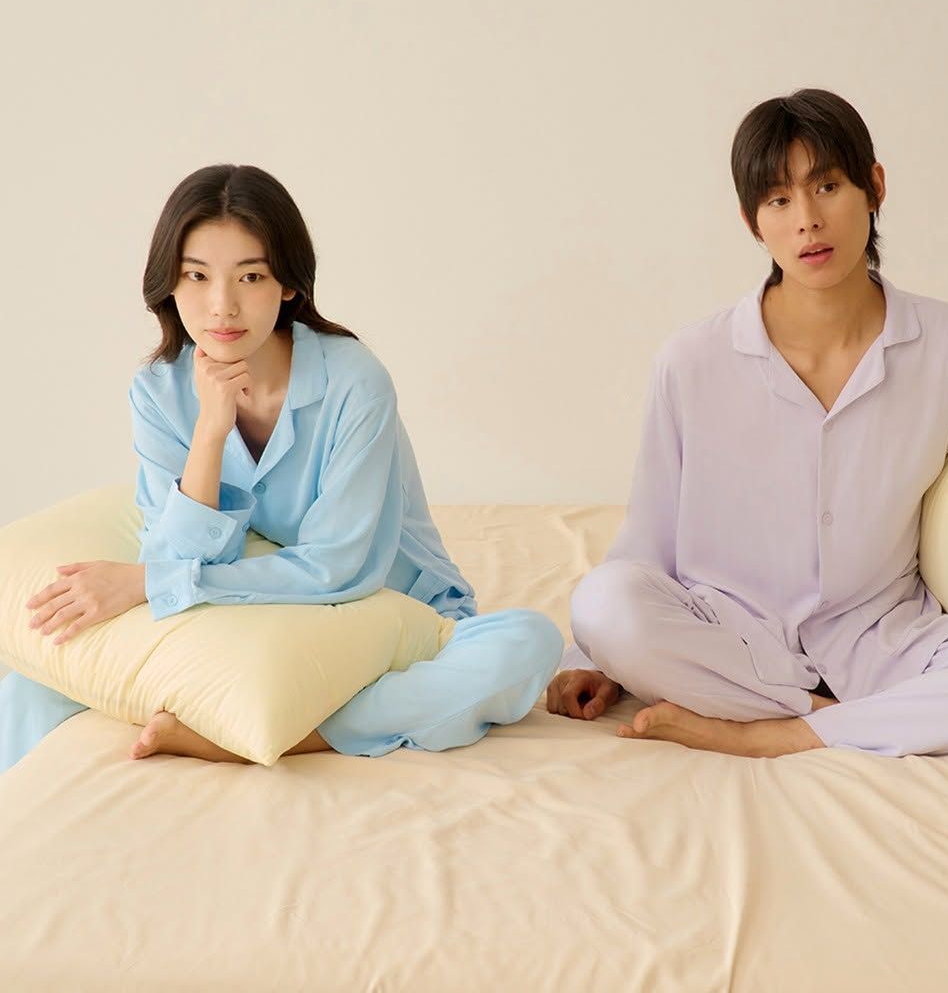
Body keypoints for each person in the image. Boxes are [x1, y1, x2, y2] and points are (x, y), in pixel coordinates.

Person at [547, 88, 948, 758]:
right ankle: (857, 720)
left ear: (874, 187)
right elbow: (647, 541)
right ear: (752, 221)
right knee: (602, 603)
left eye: (827, 187)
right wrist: (591, 655)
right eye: (778, 200)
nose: (807, 221)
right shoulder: (692, 360)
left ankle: (778, 732)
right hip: (728, 639)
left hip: (887, 641)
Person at [2, 164, 562, 773]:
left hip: (392, 615)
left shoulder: (355, 382)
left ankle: (283, 734)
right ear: (170, 282)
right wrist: (210, 432)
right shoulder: (158, 391)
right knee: (35, 680)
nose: (222, 306)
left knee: (528, 643)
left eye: (251, 276)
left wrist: (151, 583)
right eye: (196, 275)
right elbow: (174, 554)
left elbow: (339, 568)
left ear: (289, 284)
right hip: (251, 613)